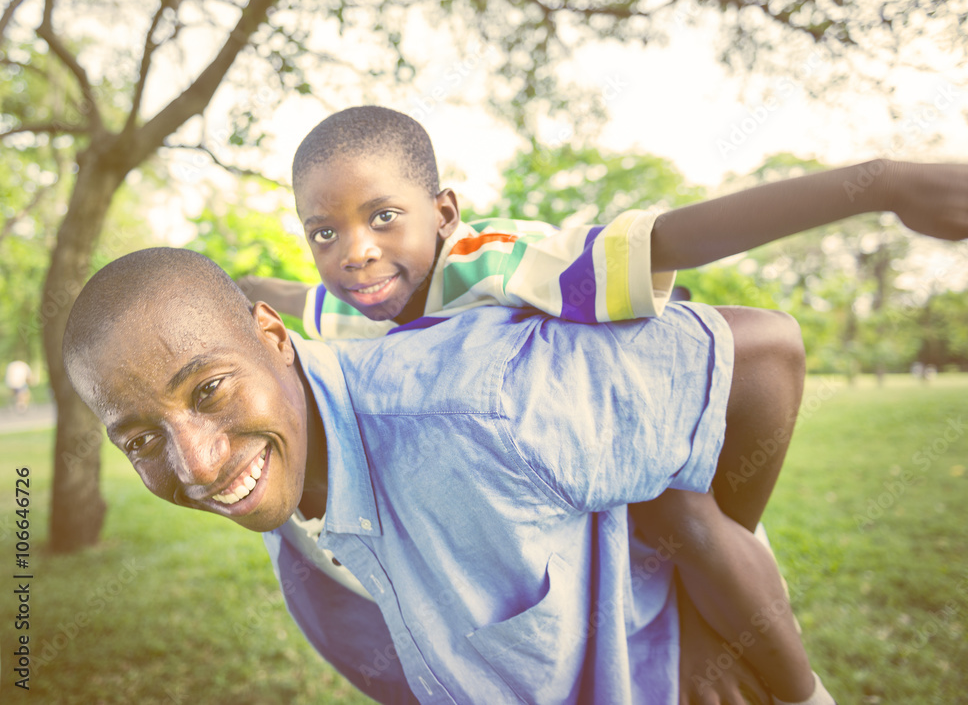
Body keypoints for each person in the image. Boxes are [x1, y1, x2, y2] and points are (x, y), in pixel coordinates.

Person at [241, 106, 826, 704]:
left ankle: (791, 686)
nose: (355, 251)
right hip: (560, 489)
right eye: (324, 233)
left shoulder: (494, 260)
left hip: (635, 434)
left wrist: (879, 186)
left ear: (444, 214)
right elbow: (299, 298)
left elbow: (656, 244)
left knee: (686, 518)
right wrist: (231, 289)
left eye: (384, 217)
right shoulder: (365, 302)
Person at [63, 247, 790, 704]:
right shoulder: (286, 479)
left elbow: (764, 355)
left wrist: (710, 604)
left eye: (208, 390)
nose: (197, 462)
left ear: (273, 337)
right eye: (140, 438)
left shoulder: (481, 404)